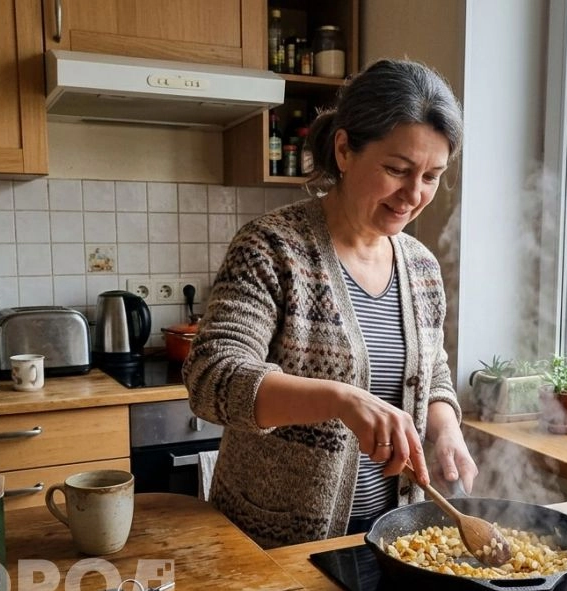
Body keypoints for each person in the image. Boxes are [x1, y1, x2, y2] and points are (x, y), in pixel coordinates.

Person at [183, 59, 476, 548]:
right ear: (344, 149)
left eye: (431, 176)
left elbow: (434, 370)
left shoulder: (421, 267)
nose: (413, 194)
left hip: (394, 543)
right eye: (397, 170)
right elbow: (212, 377)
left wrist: (445, 427)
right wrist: (341, 398)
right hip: (276, 545)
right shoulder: (271, 247)